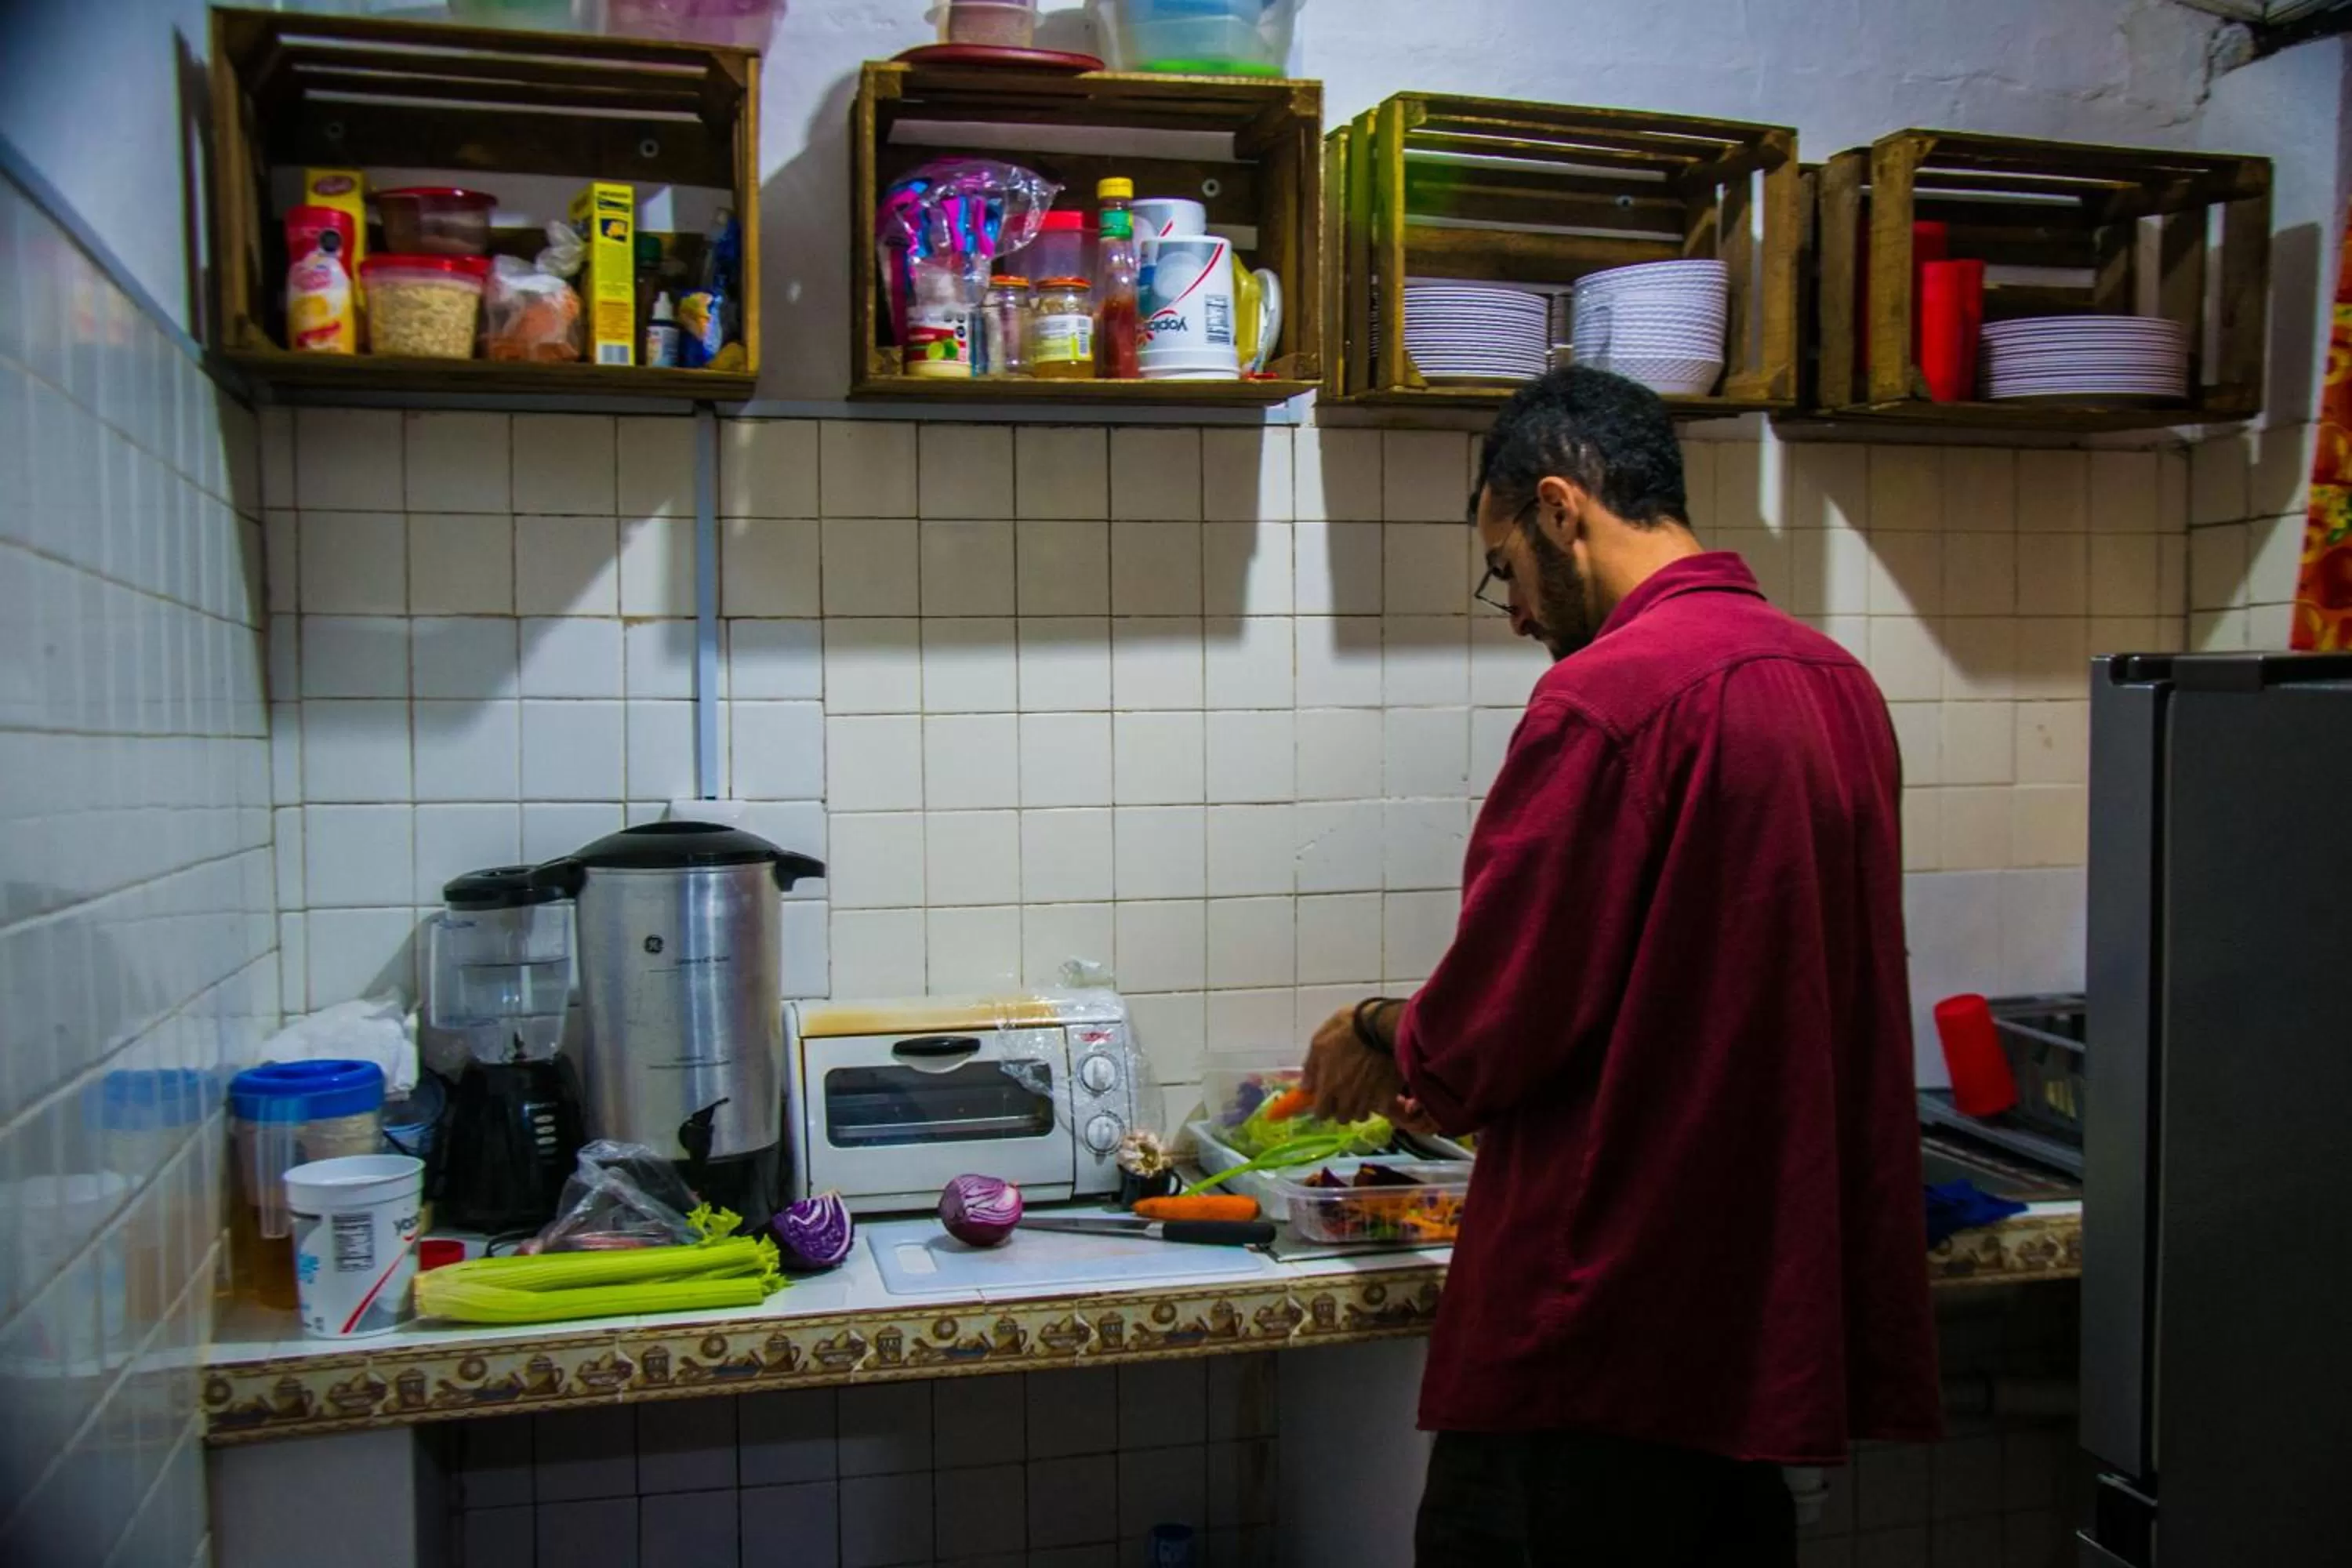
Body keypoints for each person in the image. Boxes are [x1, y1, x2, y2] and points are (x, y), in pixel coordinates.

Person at [1301, 367, 1942, 1566]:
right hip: (1750, 1333)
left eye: (1504, 566)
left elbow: (1496, 1026)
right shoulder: (1835, 686)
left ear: (1559, 508)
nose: (1514, 611)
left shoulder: (1606, 699)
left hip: (1595, 1339)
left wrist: (1378, 1027)